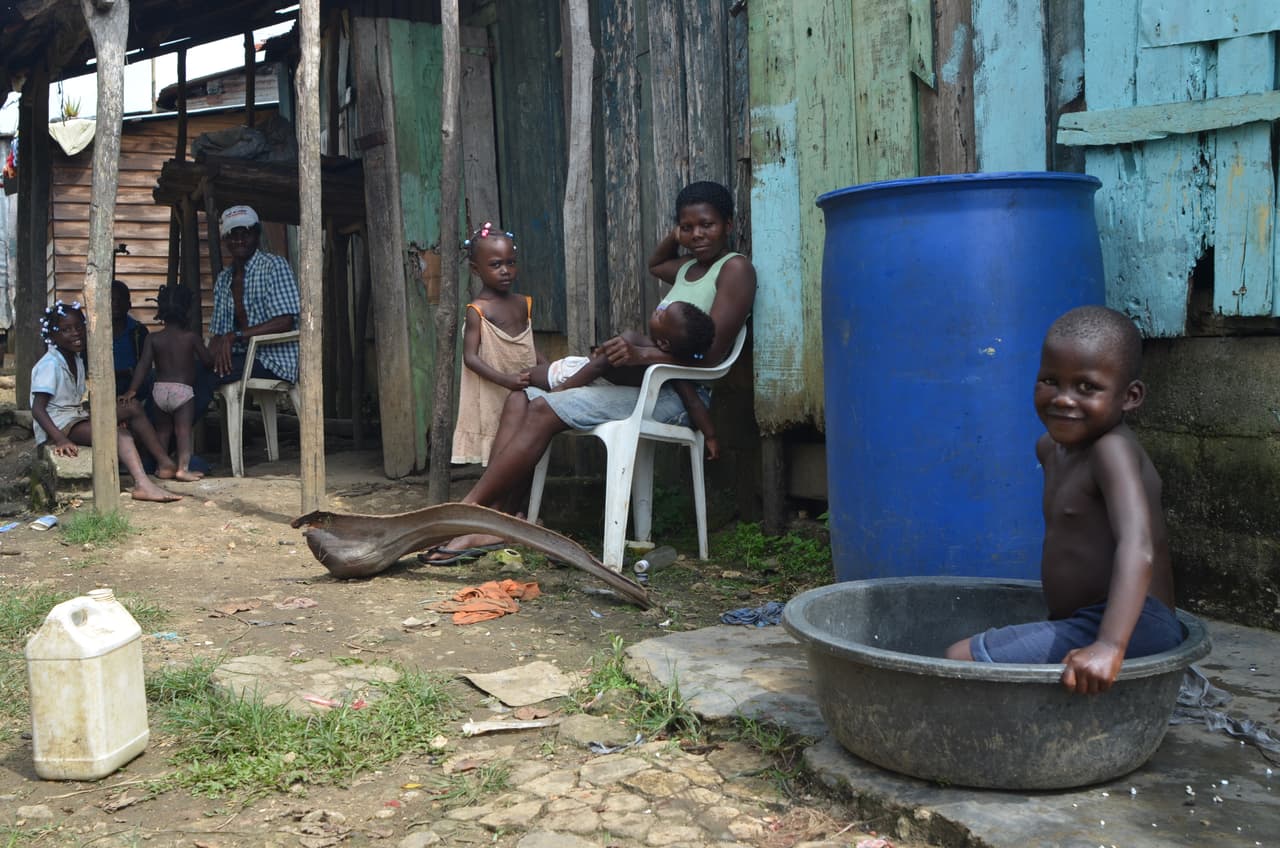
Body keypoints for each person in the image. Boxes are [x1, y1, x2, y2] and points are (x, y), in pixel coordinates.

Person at [423, 180, 756, 565]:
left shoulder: (736, 269)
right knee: (521, 397)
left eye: (707, 225)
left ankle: (468, 512)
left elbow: (710, 357)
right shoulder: (688, 268)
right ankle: (502, 518)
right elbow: (655, 264)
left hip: (681, 396)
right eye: (688, 227)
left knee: (544, 406)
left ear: (728, 224)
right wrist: (677, 233)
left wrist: (641, 354)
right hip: (651, 383)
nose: (696, 235)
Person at [944, 305, 1181, 694]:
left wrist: (1110, 645)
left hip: (1137, 623)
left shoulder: (1111, 451)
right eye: (1050, 381)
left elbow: (1138, 547)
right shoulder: (1049, 449)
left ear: (1130, 396)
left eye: (1086, 387)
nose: (1064, 399)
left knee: (959, 659)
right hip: (1084, 620)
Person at [527, 299, 721, 459]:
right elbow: (693, 402)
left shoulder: (634, 342)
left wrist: (563, 388)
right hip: (583, 374)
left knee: (528, 377)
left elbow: (596, 366)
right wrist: (710, 435)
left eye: (662, 316)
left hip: (573, 376)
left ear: (664, 344)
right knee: (528, 381)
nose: (658, 310)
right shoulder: (663, 360)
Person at [30, 300, 181, 502]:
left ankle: (165, 463)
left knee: (132, 407)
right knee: (118, 434)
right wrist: (60, 439)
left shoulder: (75, 358)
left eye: (79, 327)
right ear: (52, 336)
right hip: (59, 425)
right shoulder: (50, 364)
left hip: (75, 416)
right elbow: (38, 409)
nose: (75, 333)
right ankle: (142, 484)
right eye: (66, 330)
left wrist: (100, 415)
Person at [451, 223, 546, 467]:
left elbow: (527, 345)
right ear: (476, 269)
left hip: (525, 386)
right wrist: (505, 380)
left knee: (525, 449)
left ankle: (520, 493)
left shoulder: (522, 303)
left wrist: (547, 368)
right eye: (495, 265)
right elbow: (470, 358)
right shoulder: (478, 310)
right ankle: (496, 490)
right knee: (499, 449)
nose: (505, 271)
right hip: (495, 388)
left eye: (510, 263)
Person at [120, 285, 213, 482]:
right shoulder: (191, 338)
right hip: (183, 392)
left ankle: (162, 467)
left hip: (160, 391)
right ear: (187, 310)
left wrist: (132, 390)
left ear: (160, 311)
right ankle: (183, 469)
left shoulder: (153, 338)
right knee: (182, 431)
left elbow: (143, 365)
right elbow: (207, 361)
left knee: (162, 431)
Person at [208, 205, 300, 386]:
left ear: (257, 235)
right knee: (183, 372)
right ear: (225, 240)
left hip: (273, 361)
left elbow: (285, 321)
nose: (239, 240)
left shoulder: (273, 266)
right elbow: (218, 334)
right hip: (239, 357)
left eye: (246, 233)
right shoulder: (224, 279)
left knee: (200, 378)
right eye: (233, 235)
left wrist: (236, 335)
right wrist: (206, 356)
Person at [111, 279, 150, 400]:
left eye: (120, 299)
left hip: (133, 389)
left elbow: (145, 365)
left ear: (129, 305)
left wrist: (126, 373)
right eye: (111, 300)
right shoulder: (94, 333)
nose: (116, 304)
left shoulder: (139, 331)